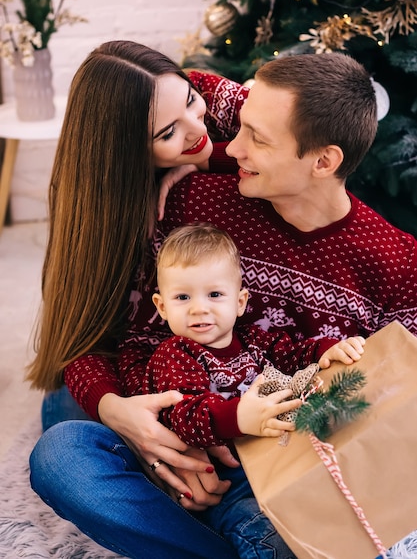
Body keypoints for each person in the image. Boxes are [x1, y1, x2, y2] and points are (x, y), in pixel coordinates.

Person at [28, 50, 417, 559]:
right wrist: (157, 440)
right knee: (61, 445)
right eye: (240, 127)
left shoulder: (398, 261)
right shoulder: (195, 203)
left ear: (323, 161)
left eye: (256, 138)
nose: (228, 145)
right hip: (190, 406)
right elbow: (133, 334)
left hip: (289, 453)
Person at [143, 222, 365, 558]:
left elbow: (295, 354)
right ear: (161, 307)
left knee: (331, 505)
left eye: (215, 294)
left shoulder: (255, 341)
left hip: (282, 461)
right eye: (183, 297)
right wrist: (239, 417)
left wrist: (326, 352)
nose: (199, 308)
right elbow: (185, 415)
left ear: (240, 301)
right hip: (228, 483)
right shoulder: (175, 354)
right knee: (260, 529)